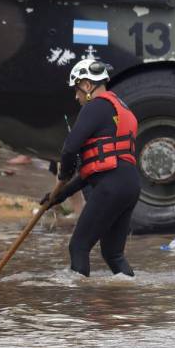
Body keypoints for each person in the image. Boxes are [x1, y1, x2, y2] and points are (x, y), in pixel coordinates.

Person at [39, 58, 140, 276]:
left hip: (111, 187)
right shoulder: (122, 110)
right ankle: (128, 299)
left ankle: (78, 304)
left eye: (76, 89)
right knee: (113, 254)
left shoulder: (95, 106)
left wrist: (64, 174)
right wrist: (60, 195)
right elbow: (93, 170)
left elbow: (69, 149)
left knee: (79, 246)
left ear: (87, 85)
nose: (76, 97)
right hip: (130, 187)